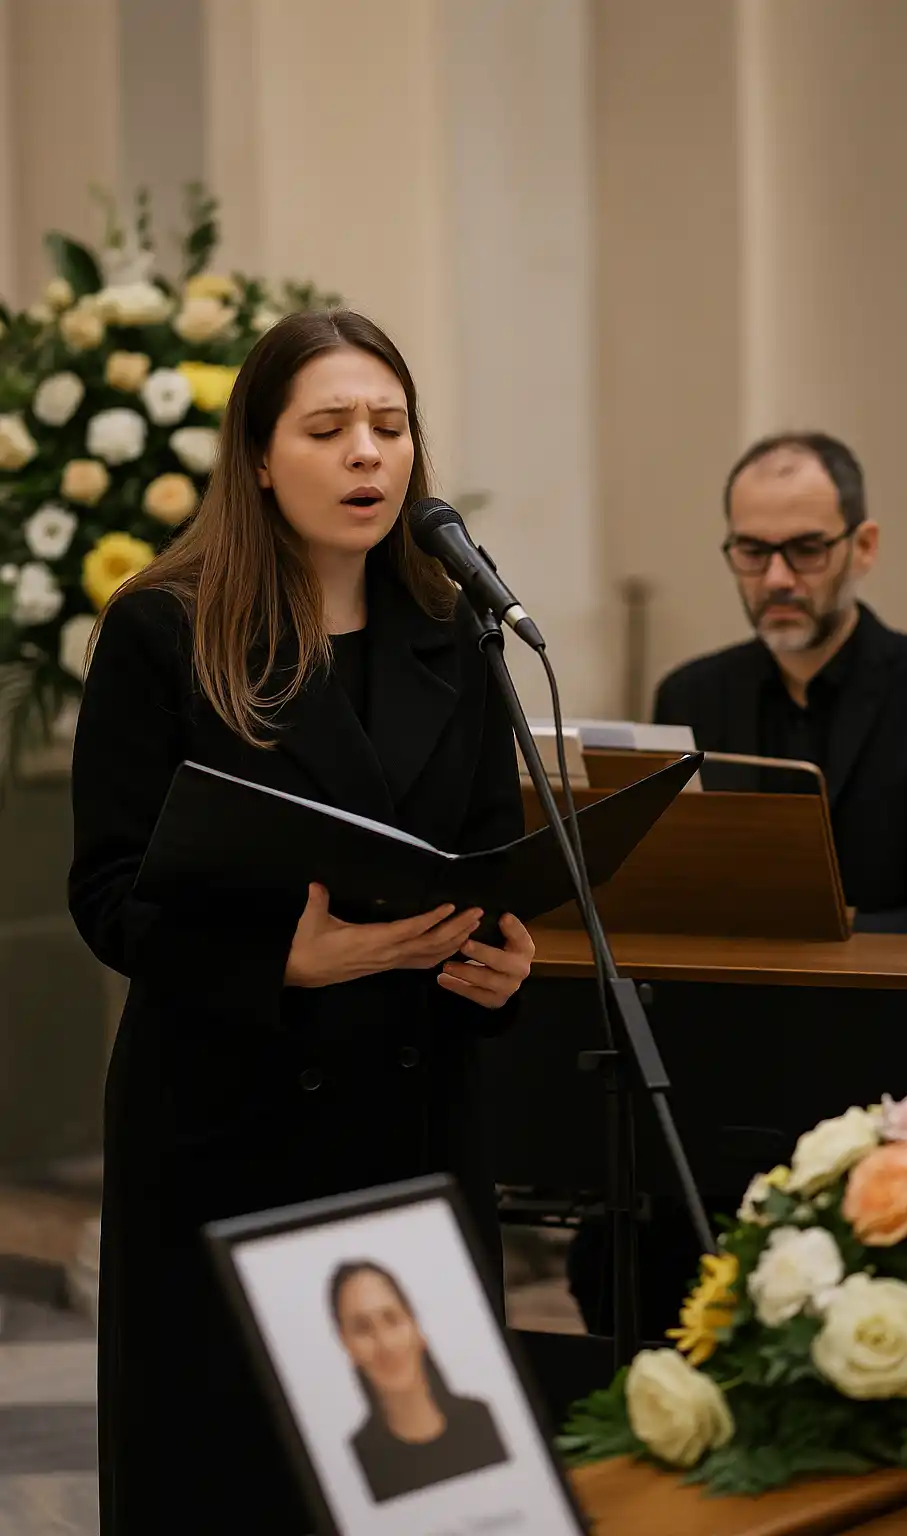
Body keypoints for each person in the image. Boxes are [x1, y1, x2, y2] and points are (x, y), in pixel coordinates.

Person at [68, 309, 534, 1536]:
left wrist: (505, 963)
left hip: (413, 1108)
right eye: (328, 429)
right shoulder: (165, 627)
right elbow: (110, 893)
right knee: (231, 1487)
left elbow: (489, 856)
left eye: (388, 426)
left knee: (422, 1491)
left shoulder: (456, 624)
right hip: (230, 1116)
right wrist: (284, 957)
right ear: (261, 458)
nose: (367, 454)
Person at [655, 431, 907, 935]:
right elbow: (668, 886)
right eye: (753, 550)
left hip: (901, 1003)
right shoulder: (689, 696)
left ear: (863, 547)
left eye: (806, 549)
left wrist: (825, 938)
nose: (777, 578)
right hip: (730, 1001)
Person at [331, 1261, 508, 1503]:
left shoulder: (481, 1420)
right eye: (362, 1328)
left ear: (415, 1326)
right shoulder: (356, 1459)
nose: (385, 1344)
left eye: (392, 1319)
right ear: (347, 1345)